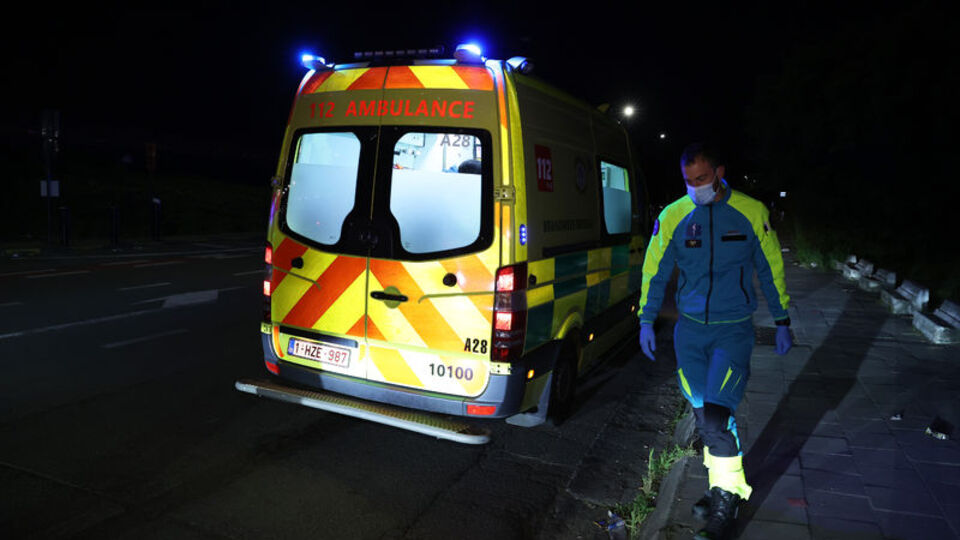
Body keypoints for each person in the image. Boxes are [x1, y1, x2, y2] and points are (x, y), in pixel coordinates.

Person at [637, 142, 792, 540]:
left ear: (720, 172)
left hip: (732, 329)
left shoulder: (750, 212)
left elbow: (770, 267)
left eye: (702, 179)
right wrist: (646, 319)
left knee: (715, 418)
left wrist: (782, 319)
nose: (695, 188)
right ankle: (723, 483)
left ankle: (726, 504)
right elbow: (654, 270)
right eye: (688, 181)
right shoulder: (673, 216)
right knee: (707, 416)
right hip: (689, 332)